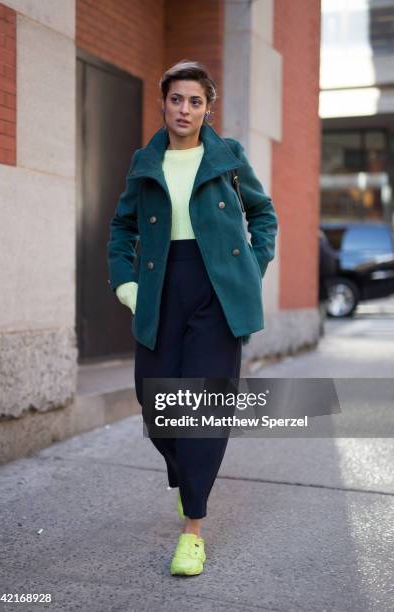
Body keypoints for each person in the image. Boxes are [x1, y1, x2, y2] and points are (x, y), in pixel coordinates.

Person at [107, 59, 278, 576]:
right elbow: (122, 230)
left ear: (209, 108)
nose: (185, 109)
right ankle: (188, 480)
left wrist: (254, 263)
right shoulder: (145, 161)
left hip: (216, 292)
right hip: (160, 291)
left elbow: (263, 213)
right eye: (177, 99)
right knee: (155, 403)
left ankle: (193, 531)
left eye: (195, 101)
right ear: (163, 103)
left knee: (201, 409)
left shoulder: (227, 158)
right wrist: (128, 285)